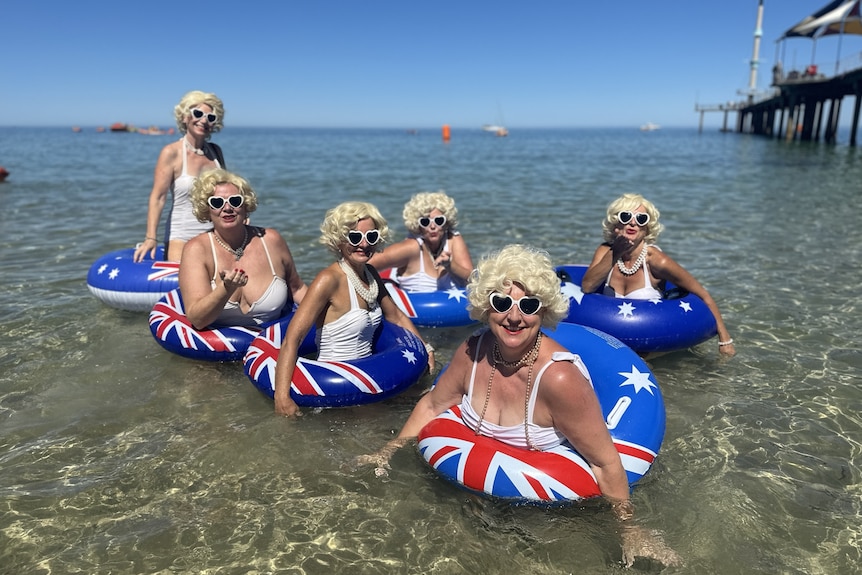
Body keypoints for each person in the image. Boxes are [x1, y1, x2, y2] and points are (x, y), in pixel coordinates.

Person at [356, 244, 680, 567]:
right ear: (486, 306)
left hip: (543, 521)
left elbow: (606, 462)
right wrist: (389, 450)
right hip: (464, 499)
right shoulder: (472, 350)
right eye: (501, 302)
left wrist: (629, 529)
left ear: (544, 310)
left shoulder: (560, 379)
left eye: (529, 304)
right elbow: (432, 405)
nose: (514, 316)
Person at [273, 201, 435, 417]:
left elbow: (395, 316)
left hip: (369, 381)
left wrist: (426, 349)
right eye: (355, 237)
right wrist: (281, 397)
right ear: (339, 240)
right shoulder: (328, 280)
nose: (364, 244)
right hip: (334, 388)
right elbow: (292, 339)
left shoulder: (371, 275)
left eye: (371, 237)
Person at [581, 193, 736, 357]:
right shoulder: (605, 251)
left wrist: (725, 340)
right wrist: (615, 253)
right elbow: (587, 286)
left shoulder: (656, 261)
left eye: (641, 219)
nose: (633, 222)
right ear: (615, 225)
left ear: (646, 228)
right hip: (613, 343)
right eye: (626, 216)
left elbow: (703, 295)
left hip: (650, 346)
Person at [178, 169, 307, 330]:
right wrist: (226, 289)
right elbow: (197, 319)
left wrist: (332, 314)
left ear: (246, 206)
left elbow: (297, 288)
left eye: (235, 201)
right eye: (217, 203)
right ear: (207, 210)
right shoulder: (196, 249)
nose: (227, 208)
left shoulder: (271, 240)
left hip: (274, 344)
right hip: (216, 351)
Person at [134, 90, 227, 263]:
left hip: (216, 237)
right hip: (182, 236)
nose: (204, 120)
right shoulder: (171, 153)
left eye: (211, 117)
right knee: (183, 288)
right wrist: (150, 238)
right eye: (198, 114)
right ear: (185, 117)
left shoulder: (216, 153)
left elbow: (226, 194)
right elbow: (158, 197)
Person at [368, 191, 472, 290]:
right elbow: (368, 263)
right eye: (425, 222)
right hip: (410, 307)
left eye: (439, 220)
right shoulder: (411, 247)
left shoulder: (453, 239)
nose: (432, 226)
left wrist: (450, 266)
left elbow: (473, 278)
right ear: (418, 226)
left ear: (447, 223)